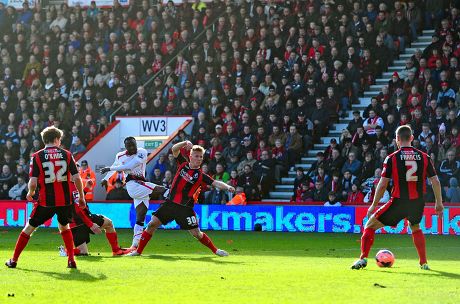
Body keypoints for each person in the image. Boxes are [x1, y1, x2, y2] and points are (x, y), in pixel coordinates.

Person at [351, 125, 444, 270]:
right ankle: (423, 262)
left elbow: (382, 185)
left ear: (397, 139)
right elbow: (435, 182)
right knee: (415, 227)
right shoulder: (424, 157)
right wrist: (439, 204)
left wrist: (373, 204)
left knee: (369, 225)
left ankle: (363, 259)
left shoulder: (392, 158)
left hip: (398, 201)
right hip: (417, 202)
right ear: (412, 138)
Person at [126, 140, 235, 257]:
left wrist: (227, 186)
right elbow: (174, 149)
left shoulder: (201, 176)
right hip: (170, 204)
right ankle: (138, 252)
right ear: (190, 156)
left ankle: (216, 251)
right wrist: (184, 143)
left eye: (201, 157)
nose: (199, 158)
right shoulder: (183, 164)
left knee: (197, 234)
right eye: (196, 156)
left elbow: (216, 183)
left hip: (185, 209)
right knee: (152, 224)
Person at [5, 126, 86, 269]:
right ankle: (71, 260)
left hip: (45, 201)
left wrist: (30, 192)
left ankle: (14, 260)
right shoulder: (67, 154)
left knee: (29, 228)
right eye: (59, 139)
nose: (60, 142)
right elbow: (77, 178)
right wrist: (81, 197)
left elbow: (33, 181)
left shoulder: (37, 156)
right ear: (56, 139)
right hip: (65, 200)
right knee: (64, 226)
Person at [100, 137, 167, 251]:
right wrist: (106, 178)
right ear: (125, 147)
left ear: (136, 144)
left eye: (133, 145)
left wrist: (108, 168)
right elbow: (115, 167)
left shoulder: (142, 152)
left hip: (140, 184)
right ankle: (178, 199)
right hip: (133, 184)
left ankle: (134, 246)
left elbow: (129, 166)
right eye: (129, 146)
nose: (132, 148)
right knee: (163, 190)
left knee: (140, 217)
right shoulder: (120, 156)